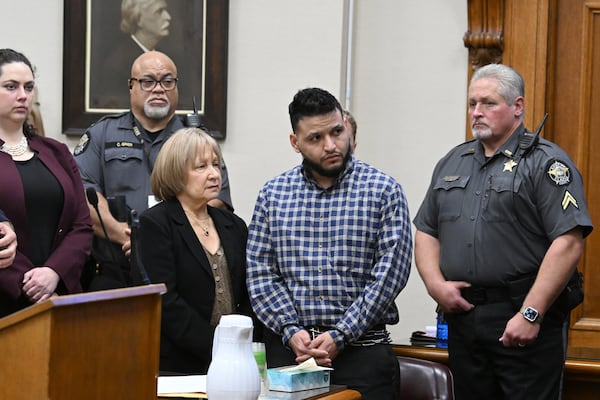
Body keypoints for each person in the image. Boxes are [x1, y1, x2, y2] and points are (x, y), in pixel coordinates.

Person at [413, 64, 593, 400]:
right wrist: (436, 285)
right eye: (471, 104)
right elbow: (426, 231)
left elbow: (568, 242)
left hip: (522, 314)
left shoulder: (547, 163)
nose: (477, 113)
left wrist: (530, 313)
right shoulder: (453, 161)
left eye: (488, 103)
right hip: (463, 317)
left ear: (518, 107)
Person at [246, 87, 412, 399]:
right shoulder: (273, 195)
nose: (331, 145)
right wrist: (290, 330)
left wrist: (341, 333)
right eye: (315, 138)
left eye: (337, 131)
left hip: (363, 356)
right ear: (295, 143)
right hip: (292, 356)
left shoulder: (384, 191)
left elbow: (389, 276)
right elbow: (260, 274)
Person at [74, 50, 234, 290]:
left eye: (167, 81)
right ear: (131, 85)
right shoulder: (101, 134)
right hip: (115, 272)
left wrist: (159, 239)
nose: (158, 88)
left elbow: (216, 200)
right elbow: (83, 195)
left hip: (181, 273)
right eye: (148, 81)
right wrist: (124, 234)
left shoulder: (196, 139)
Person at [138, 127, 255, 373]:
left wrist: (240, 345)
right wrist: (217, 346)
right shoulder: (155, 224)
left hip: (235, 360)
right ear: (176, 173)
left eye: (216, 165)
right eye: (201, 167)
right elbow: (165, 302)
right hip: (177, 364)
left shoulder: (233, 225)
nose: (214, 174)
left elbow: (247, 294)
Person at [0, 48, 93, 317]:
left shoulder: (56, 152)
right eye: (11, 86)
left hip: (58, 293)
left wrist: (54, 272)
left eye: (29, 87)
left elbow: (82, 225)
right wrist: (31, 284)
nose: (23, 95)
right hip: (8, 300)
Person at [90, 0, 172, 108]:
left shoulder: (167, 57)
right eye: (159, 11)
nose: (168, 17)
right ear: (138, 19)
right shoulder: (118, 63)